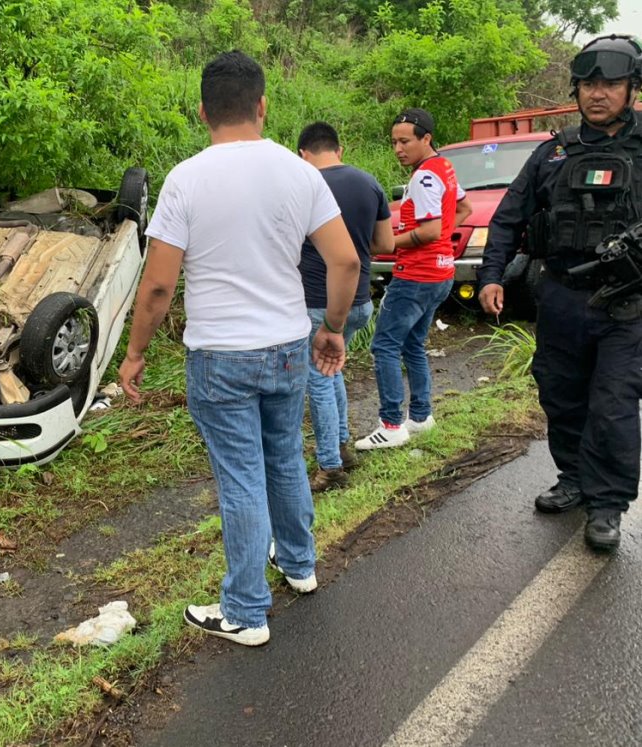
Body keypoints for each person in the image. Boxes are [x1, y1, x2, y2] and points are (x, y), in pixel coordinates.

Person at [118, 51, 360, 647]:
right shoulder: (300, 173)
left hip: (220, 356)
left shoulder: (186, 179)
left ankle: (247, 612)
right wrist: (331, 326)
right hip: (284, 346)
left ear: (202, 111)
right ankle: (299, 566)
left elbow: (156, 285)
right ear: (262, 106)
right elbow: (347, 259)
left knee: (241, 479)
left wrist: (135, 353)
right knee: (283, 457)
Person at [478, 35, 642, 553]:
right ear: (576, 90)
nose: (599, 94)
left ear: (631, 88)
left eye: (611, 83)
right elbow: (508, 218)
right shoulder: (552, 153)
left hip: (627, 305)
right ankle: (573, 477)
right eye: (589, 84)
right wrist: (489, 277)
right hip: (562, 297)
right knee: (560, 395)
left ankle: (607, 504)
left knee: (613, 405)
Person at [356, 108, 472, 450]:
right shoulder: (444, 168)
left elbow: (430, 229)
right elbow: (463, 209)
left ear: (426, 138)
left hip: (417, 275)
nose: (398, 148)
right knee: (412, 344)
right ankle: (420, 417)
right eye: (394, 141)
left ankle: (391, 424)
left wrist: (387, 244)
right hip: (442, 272)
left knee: (384, 345)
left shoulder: (423, 178)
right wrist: (440, 239)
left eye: (405, 141)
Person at [296, 122, 394, 490]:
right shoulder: (369, 182)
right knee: (333, 370)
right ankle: (341, 445)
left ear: (303, 154)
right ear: (340, 149)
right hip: (358, 301)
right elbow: (385, 243)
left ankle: (331, 466)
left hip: (319, 303)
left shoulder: (305, 184)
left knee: (319, 378)